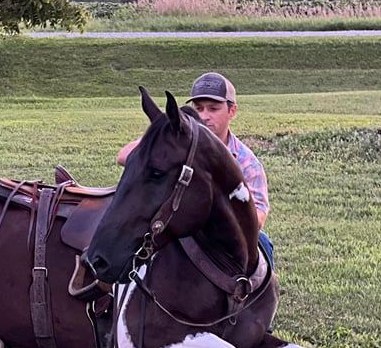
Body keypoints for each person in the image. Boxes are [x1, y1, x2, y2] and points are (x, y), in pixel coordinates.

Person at [117, 72, 275, 271]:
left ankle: (257, 296)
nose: (204, 116)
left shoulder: (246, 163)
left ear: (232, 111)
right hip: (179, 227)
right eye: (198, 108)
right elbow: (123, 155)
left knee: (263, 244)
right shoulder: (178, 144)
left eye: (213, 109)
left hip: (221, 238)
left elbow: (258, 217)